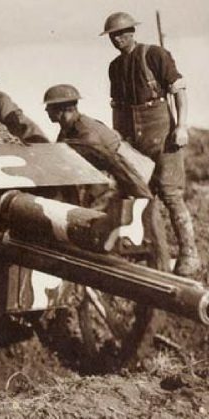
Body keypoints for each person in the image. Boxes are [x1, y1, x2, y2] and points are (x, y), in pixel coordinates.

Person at [101, 12, 200, 277]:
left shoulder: (154, 55)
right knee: (141, 195)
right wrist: (119, 142)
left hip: (164, 137)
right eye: (113, 36)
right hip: (135, 141)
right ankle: (154, 255)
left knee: (171, 193)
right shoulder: (115, 67)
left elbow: (179, 90)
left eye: (122, 33)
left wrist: (181, 126)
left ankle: (190, 253)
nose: (118, 39)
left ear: (132, 32)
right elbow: (118, 108)